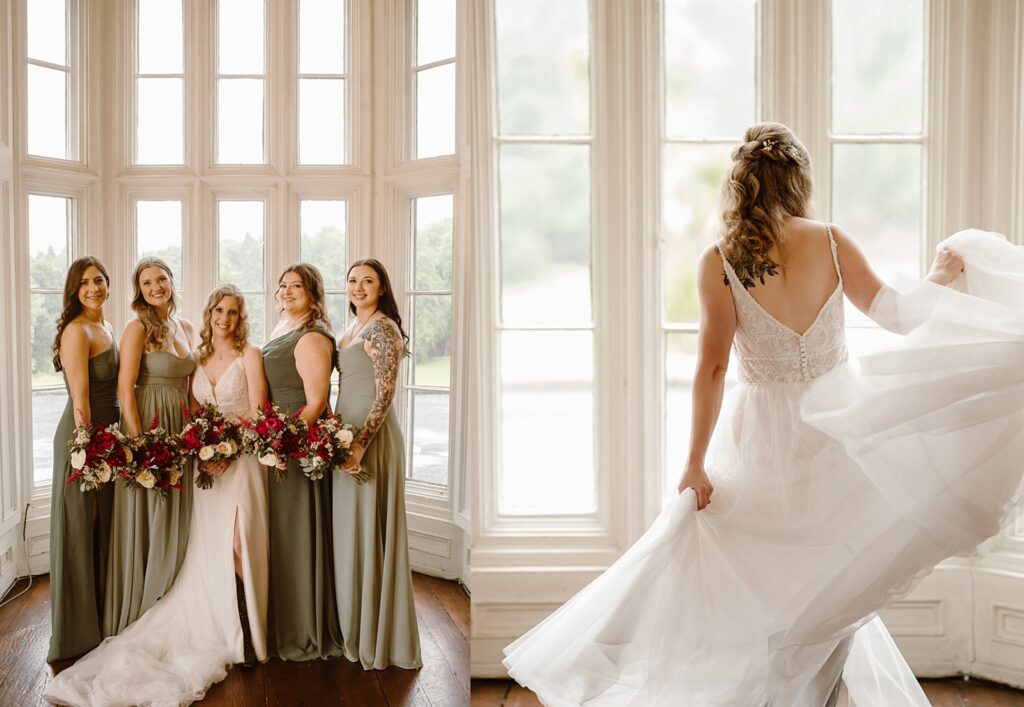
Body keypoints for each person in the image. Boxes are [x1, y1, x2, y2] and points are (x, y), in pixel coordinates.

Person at [502, 122, 1024, 706]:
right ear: (798, 180)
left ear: (740, 185)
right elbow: (898, 315)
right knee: (837, 579)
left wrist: (695, 463)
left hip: (759, 439)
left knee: (763, 586)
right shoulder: (830, 240)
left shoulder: (721, 260)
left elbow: (713, 370)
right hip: (838, 430)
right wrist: (941, 276)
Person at [45, 285, 271, 705]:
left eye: (233, 312)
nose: (224, 318)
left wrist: (228, 449)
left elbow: (259, 415)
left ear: (242, 318)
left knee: (238, 546)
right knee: (204, 550)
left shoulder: (250, 354)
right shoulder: (197, 359)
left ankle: (247, 634)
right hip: (204, 467)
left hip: (241, 465)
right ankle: (216, 625)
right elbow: (193, 412)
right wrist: (204, 450)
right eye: (218, 310)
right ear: (208, 314)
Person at [333, 259, 422, 669]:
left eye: (368, 281)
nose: (359, 287)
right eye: (353, 281)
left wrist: (360, 445)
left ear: (382, 288)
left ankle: (377, 633)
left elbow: (385, 395)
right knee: (354, 531)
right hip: (346, 437)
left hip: (372, 440)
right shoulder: (351, 328)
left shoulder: (383, 328)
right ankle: (355, 621)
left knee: (371, 530)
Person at [104, 257, 197, 635]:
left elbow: (191, 387)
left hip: (180, 427)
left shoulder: (186, 326)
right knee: (150, 508)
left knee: (179, 510)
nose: (155, 286)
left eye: (161, 279)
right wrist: (138, 443)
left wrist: (198, 432)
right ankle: (146, 601)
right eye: (147, 282)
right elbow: (125, 388)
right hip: (149, 424)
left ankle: (177, 596)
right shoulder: (136, 327)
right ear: (138, 290)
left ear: (172, 281)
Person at [262, 263, 344, 660]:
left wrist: (282, 441)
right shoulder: (283, 329)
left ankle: (304, 625)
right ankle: (282, 616)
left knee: (297, 530)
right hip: (278, 440)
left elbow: (316, 403)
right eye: (283, 286)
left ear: (314, 293)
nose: (287, 292)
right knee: (281, 531)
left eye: (297, 286)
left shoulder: (311, 338)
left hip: (296, 444)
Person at [47, 257, 118, 662]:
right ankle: (77, 629)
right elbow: (81, 400)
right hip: (83, 438)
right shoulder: (77, 331)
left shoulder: (106, 326)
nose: (93, 288)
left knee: (100, 525)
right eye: (85, 283)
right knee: (82, 524)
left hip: (107, 437)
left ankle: (100, 615)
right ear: (74, 290)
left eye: (99, 280)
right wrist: (88, 450)